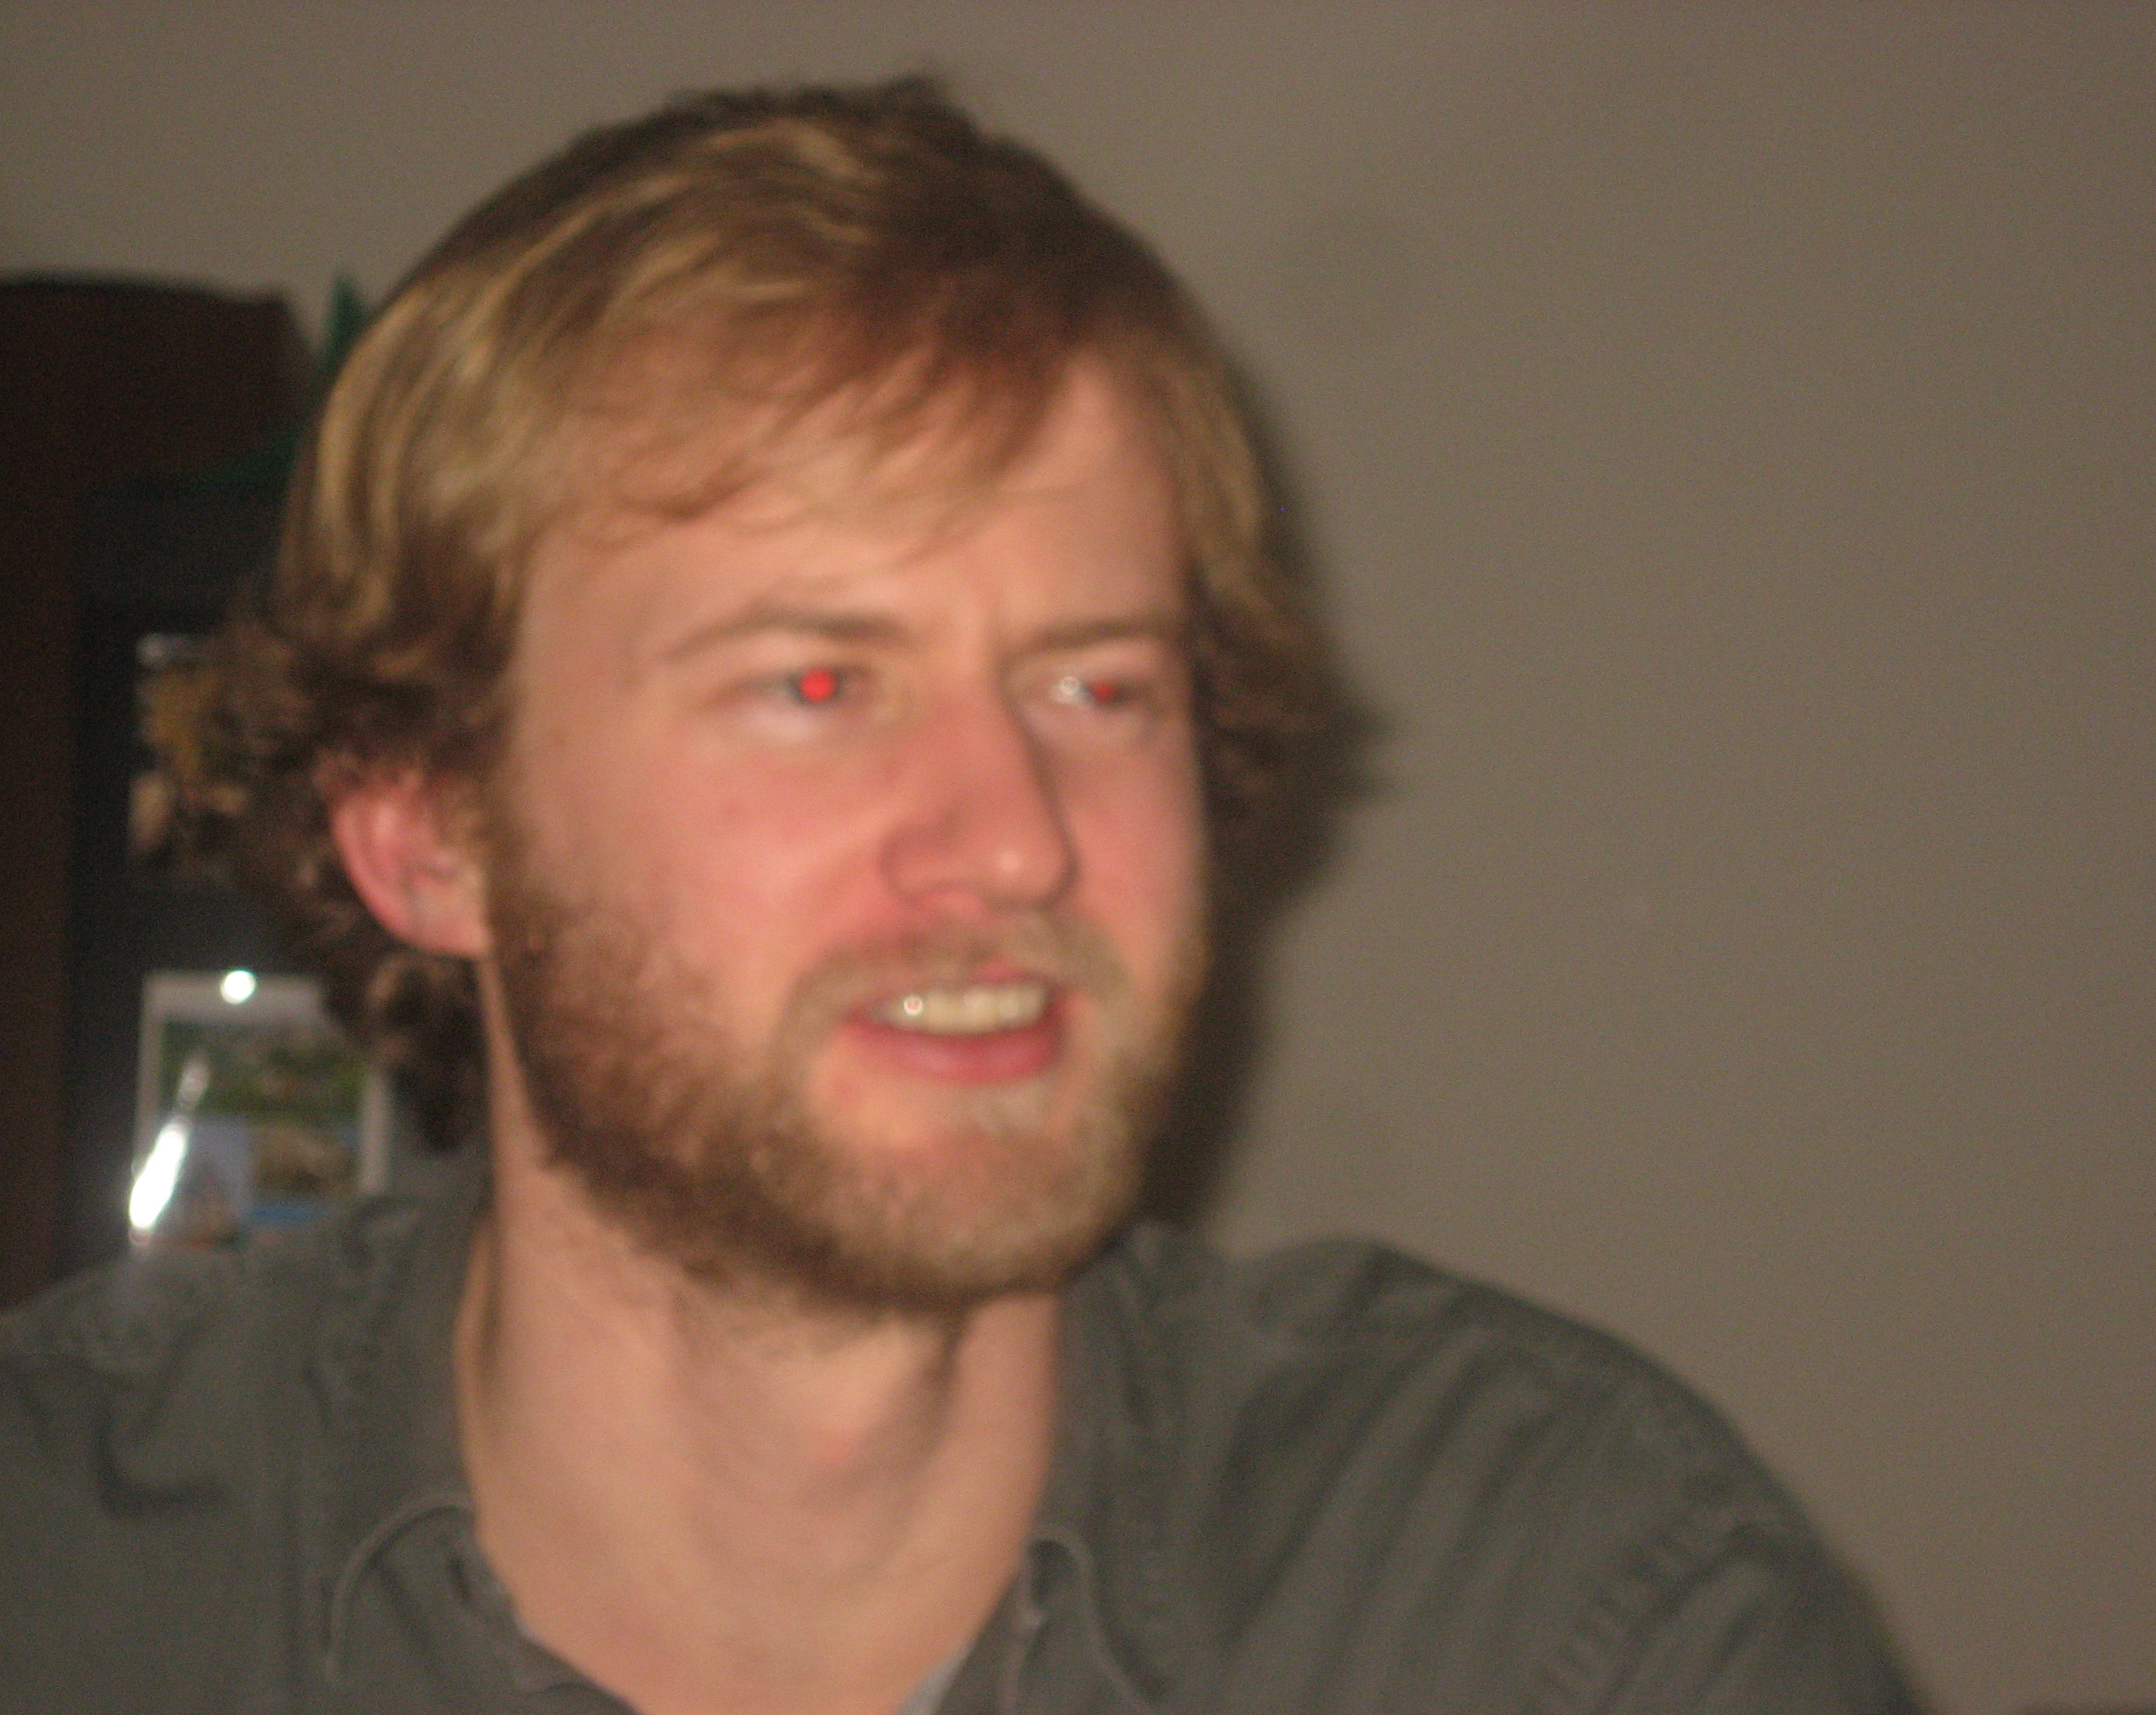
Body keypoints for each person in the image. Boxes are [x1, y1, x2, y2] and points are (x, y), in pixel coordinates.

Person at [0, 80, 1919, 1714]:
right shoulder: (68, 1572)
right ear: (427, 834)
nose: (1017, 842)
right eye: (815, 685)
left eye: (1098, 689)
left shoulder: (1560, 1605)